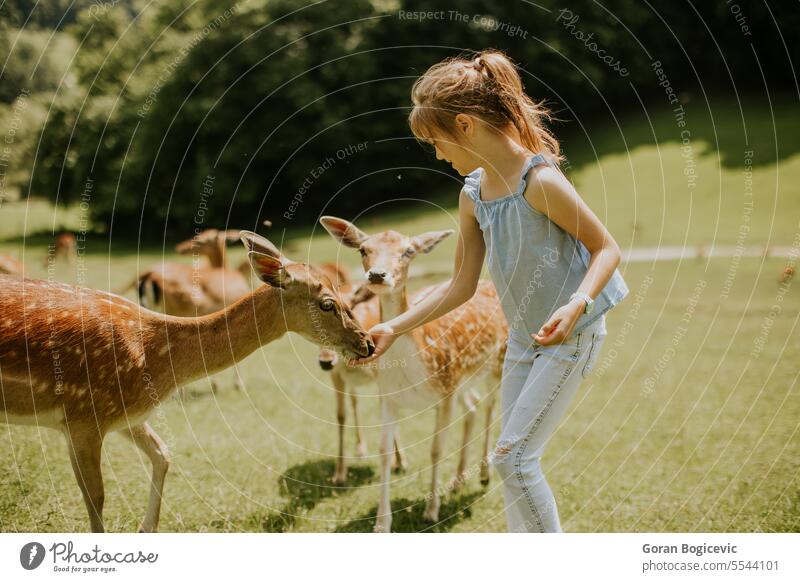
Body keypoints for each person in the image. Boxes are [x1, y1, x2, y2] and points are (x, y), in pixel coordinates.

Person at [350, 49, 629, 532]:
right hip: (524, 339)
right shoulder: (472, 195)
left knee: (512, 460)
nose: (437, 155)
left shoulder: (538, 182)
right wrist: (392, 326)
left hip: (571, 336)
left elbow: (606, 248)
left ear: (464, 125)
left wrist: (576, 303)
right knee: (514, 465)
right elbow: (460, 285)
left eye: (435, 142)